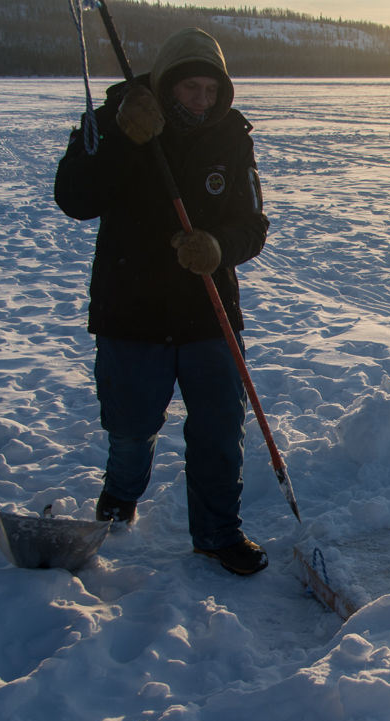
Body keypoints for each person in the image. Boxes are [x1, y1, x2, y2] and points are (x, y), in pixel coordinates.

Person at [54, 28, 271, 576]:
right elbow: (74, 198)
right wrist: (124, 138)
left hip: (208, 310)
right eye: (189, 89)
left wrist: (218, 246)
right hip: (132, 312)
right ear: (165, 84)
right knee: (131, 429)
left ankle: (218, 533)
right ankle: (120, 498)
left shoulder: (232, 137)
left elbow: (252, 224)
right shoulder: (116, 118)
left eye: (210, 91)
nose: (201, 101)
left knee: (220, 430)